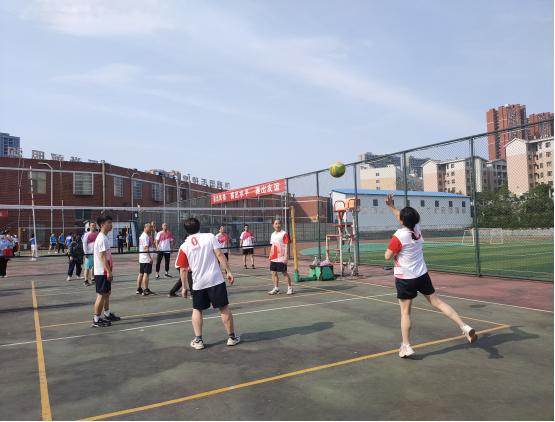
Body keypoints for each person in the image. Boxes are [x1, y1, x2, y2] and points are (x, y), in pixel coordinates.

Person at [384, 193, 478, 358]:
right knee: (438, 303)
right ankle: (463, 326)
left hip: (405, 278)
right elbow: (402, 218)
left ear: (402, 221)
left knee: (405, 313)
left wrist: (393, 249)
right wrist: (391, 206)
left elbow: (387, 256)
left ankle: (406, 346)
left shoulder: (398, 236)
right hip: (422, 275)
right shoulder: (416, 229)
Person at [176, 218, 240, 349]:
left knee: (197, 309)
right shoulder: (210, 237)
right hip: (215, 279)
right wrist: (228, 271)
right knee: (224, 307)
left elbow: (183, 269)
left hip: (198, 282)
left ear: (186, 230)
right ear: (199, 226)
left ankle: (198, 340)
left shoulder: (184, 246)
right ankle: (232, 337)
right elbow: (219, 254)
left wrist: (184, 287)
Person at [92, 214, 120, 327]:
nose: (111, 224)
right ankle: (96, 320)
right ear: (102, 225)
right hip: (102, 271)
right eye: (109, 222)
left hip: (103, 271)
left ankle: (107, 314)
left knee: (107, 293)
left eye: (111, 222)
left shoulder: (104, 237)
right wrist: (108, 271)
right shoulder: (102, 238)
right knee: (101, 295)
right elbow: (103, 257)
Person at [267, 220, 293, 296]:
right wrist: (270, 255)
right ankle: (276, 288)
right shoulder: (272, 235)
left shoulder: (284, 234)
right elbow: (272, 245)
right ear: (273, 225)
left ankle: (290, 288)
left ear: (281, 225)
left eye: (279, 223)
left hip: (281, 257)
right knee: (273, 272)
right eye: (276, 224)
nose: (277, 225)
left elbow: (286, 245)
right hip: (274, 257)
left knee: (284, 272)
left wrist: (286, 257)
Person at [137, 223, 155, 296]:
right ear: (145, 227)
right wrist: (149, 258)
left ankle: (139, 289)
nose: (151, 229)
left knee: (141, 274)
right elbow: (145, 247)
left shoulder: (144, 236)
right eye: (149, 227)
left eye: (151, 227)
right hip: (145, 258)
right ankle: (146, 290)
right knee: (146, 274)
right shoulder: (145, 236)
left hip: (142, 258)